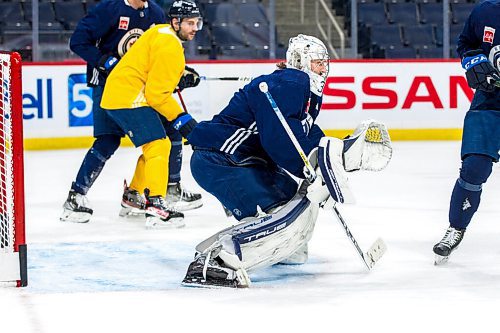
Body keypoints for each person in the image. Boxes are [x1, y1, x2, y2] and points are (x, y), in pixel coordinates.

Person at [181, 34, 393, 287]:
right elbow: (279, 140)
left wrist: (321, 165)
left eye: (325, 62)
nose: (323, 68)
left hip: (242, 160)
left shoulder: (304, 90)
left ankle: (277, 248)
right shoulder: (291, 80)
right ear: (300, 61)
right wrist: (309, 168)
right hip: (223, 158)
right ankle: (213, 262)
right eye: (317, 62)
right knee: (283, 212)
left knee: (295, 206)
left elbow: (305, 133)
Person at [60, 0, 202, 224]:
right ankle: (76, 195)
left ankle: (157, 190)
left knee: (167, 134)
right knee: (109, 141)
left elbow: (158, 55)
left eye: (197, 23)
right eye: (190, 23)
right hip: (109, 84)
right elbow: (78, 41)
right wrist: (103, 61)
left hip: (139, 89)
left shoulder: (155, 13)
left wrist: (177, 75)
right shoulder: (109, 8)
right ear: (177, 22)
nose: (194, 28)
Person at [433, 0, 500, 264]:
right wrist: (474, 63)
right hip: (490, 99)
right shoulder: (485, 11)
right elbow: (466, 44)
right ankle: (456, 228)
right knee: (474, 168)